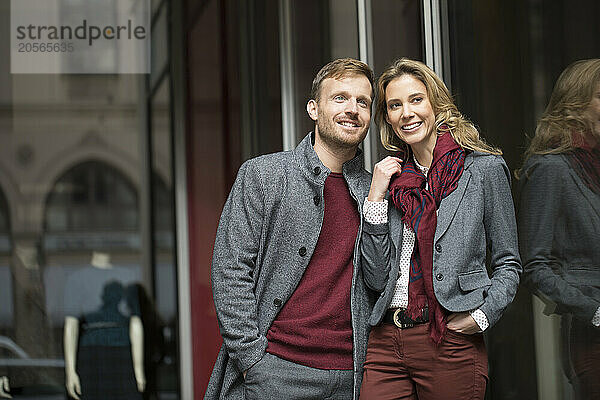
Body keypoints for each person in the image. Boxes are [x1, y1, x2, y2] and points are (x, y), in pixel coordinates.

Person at [205, 58, 374, 400]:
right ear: (313, 108)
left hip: (351, 377)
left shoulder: (376, 192)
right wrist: (253, 361)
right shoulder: (264, 176)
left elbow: (380, 281)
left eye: (363, 102)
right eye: (339, 98)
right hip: (275, 372)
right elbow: (230, 270)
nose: (352, 109)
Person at [358, 58, 521, 399]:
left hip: (449, 337)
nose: (407, 113)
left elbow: (508, 262)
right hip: (386, 343)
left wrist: (483, 315)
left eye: (416, 99)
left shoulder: (483, 171)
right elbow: (374, 276)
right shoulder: (390, 181)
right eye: (395, 105)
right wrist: (375, 197)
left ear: (436, 104)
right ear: (387, 117)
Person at [517, 59, 600, 400]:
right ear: (577, 106)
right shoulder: (551, 167)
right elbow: (534, 267)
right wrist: (594, 310)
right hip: (592, 339)